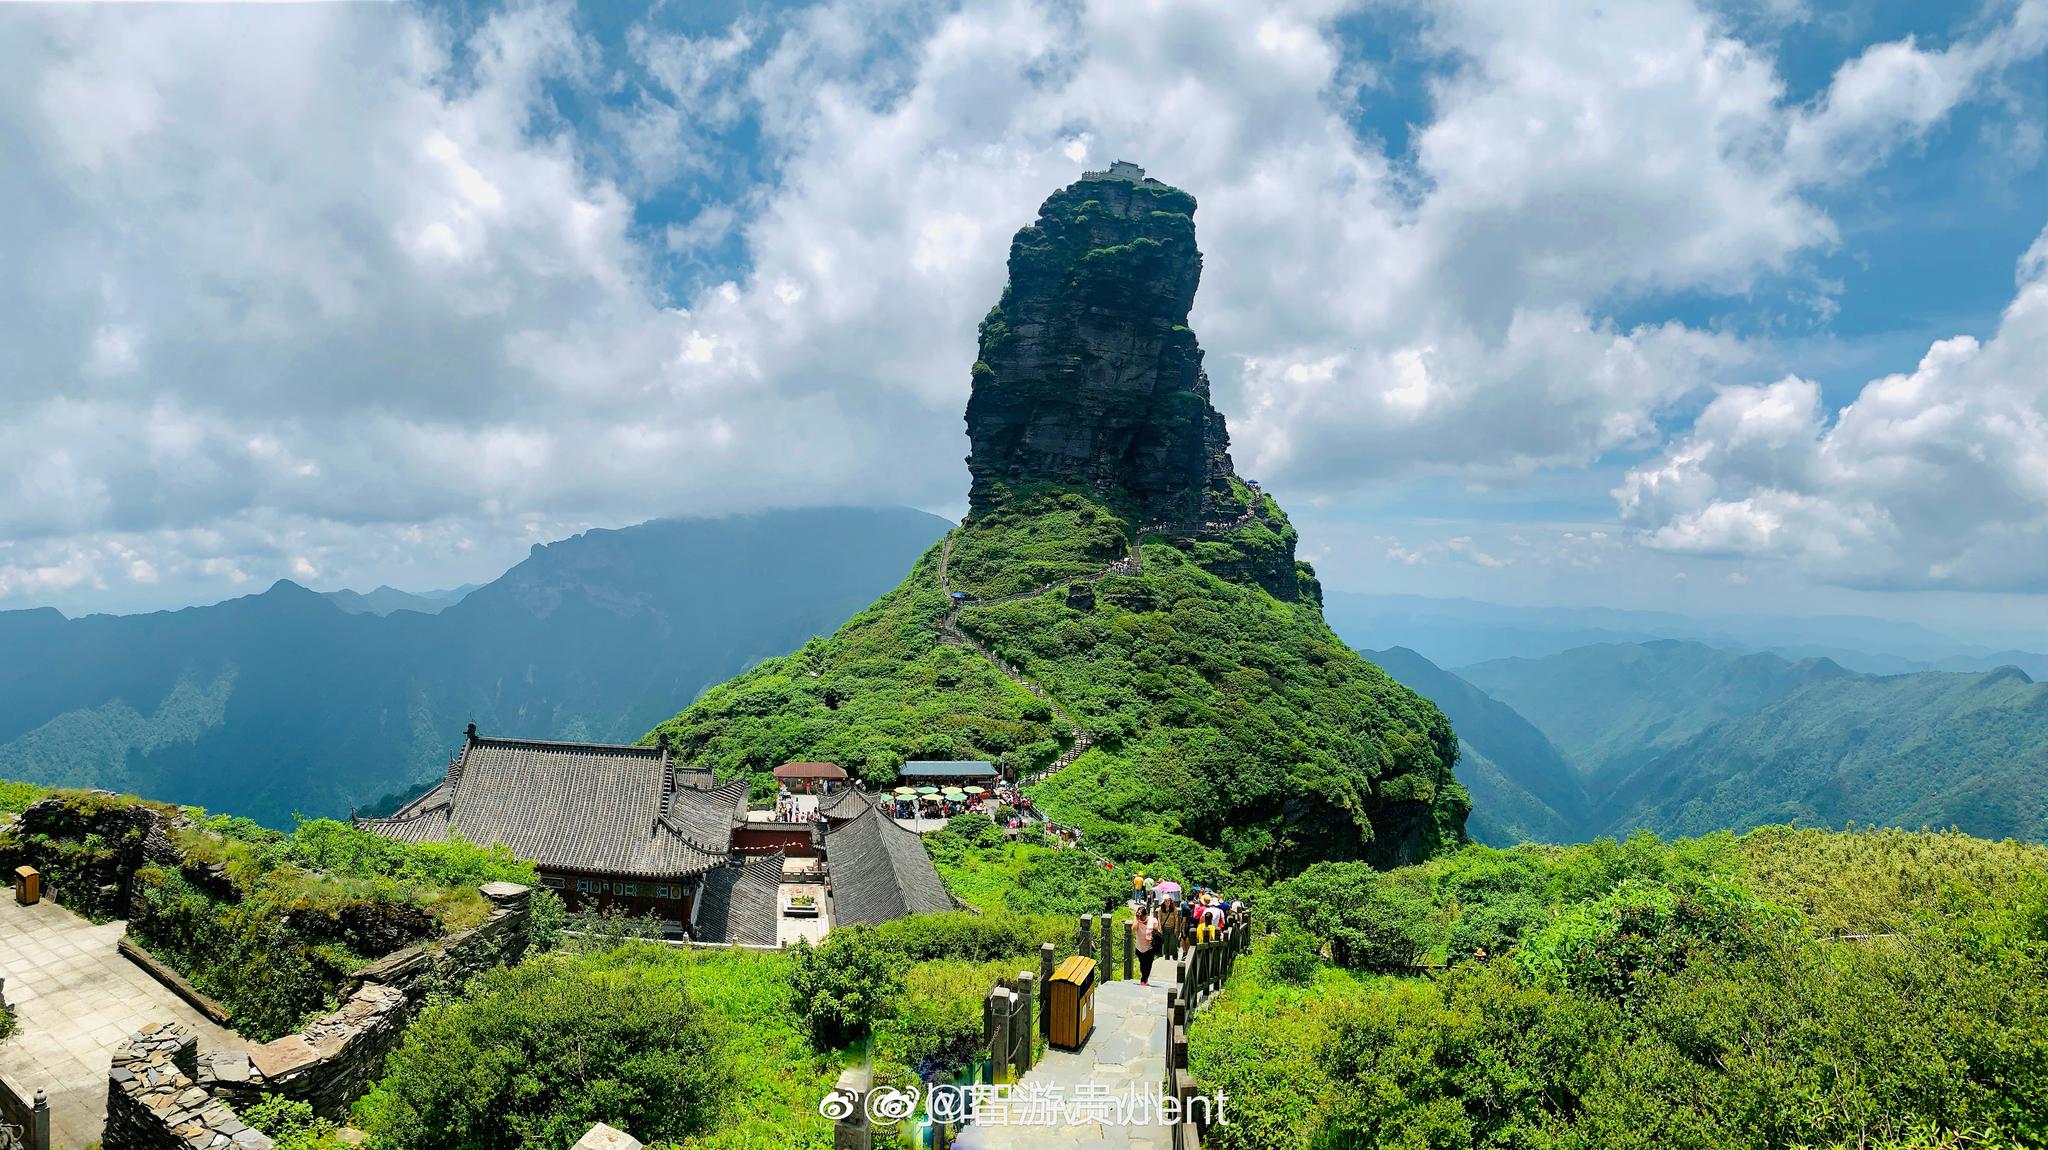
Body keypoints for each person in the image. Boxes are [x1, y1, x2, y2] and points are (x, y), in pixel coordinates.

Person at [1133, 904, 1159, 985]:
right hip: (1140, 947)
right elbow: (1133, 929)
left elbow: (1157, 932)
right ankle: (1144, 979)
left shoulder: (1152, 920)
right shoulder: (1137, 920)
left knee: (1148, 965)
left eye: (1142, 917)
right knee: (1142, 965)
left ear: (1146, 915)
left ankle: (1143, 980)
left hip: (1150, 947)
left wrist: (1151, 938)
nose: (1141, 919)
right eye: (1140, 917)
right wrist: (1137, 919)